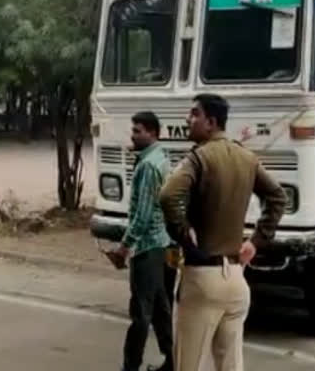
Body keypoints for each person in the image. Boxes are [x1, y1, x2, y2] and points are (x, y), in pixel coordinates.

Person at [159, 93, 287, 371]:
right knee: (230, 365)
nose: (188, 119)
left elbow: (168, 195)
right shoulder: (246, 157)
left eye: (194, 114)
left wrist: (182, 230)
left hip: (202, 277)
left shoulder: (198, 159)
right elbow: (278, 197)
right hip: (236, 279)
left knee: (188, 365)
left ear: (211, 122)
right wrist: (256, 241)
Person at [113, 111, 174, 371]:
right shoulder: (159, 156)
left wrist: (124, 247)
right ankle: (173, 361)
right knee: (161, 308)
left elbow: (144, 213)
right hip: (160, 243)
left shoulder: (149, 166)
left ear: (152, 132)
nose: (133, 135)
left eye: (138, 131)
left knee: (141, 313)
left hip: (147, 247)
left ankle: (130, 366)